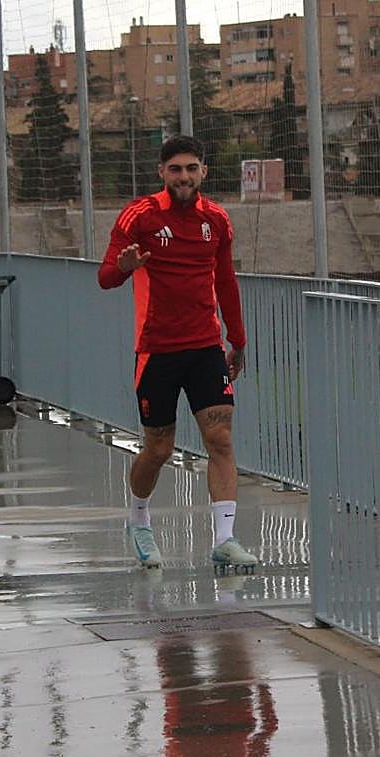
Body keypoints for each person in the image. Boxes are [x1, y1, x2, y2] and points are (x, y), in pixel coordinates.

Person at [98, 134, 256, 571]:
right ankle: (139, 520)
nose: (183, 176)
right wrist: (124, 267)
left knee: (220, 439)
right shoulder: (140, 216)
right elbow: (105, 276)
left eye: (191, 168)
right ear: (162, 173)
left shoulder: (216, 220)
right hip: (157, 350)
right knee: (158, 448)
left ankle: (224, 539)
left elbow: (226, 281)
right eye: (175, 169)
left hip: (205, 347)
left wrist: (238, 340)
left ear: (204, 171)